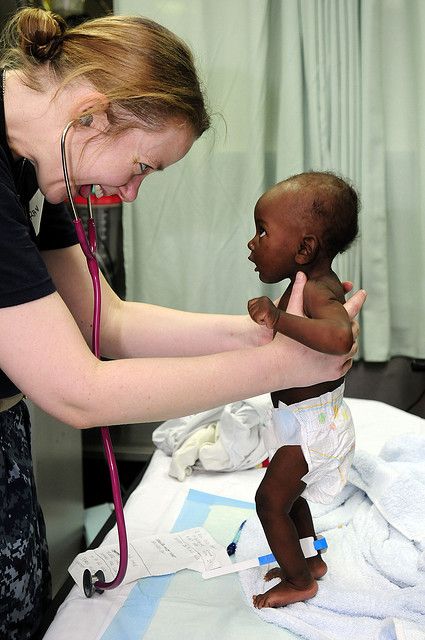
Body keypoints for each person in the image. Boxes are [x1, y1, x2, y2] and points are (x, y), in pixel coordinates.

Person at [0, 7, 365, 639]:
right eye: (142, 166)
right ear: (90, 113)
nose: (131, 191)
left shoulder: (41, 166)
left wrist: (261, 333)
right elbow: (76, 390)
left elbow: (105, 321)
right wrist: (281, 363)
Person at [247, 171, 360, 609]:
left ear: (304, 248)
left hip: (315, 425)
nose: (252, 243)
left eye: (262, 231)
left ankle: (299, 583)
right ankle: (310, 560)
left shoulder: (315, 292)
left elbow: (339, 338)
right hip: (304, 423)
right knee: (291, 498)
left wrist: (279, 320)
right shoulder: (303, 286)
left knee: (269, 501)